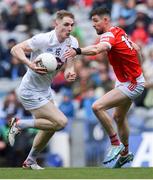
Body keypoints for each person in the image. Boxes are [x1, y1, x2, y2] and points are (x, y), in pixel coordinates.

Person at [64, 7, 145, 168]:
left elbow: (97, 49)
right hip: (128, 80)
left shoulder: (109, 35)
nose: (93, 25)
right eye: (92, 21)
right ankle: (125, 154)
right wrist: (137, 67)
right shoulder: (119, 31)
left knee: (97, 106)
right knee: (118, 118)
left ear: (106, 20)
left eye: (96, 21)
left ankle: (115, 144)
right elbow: (137, 50)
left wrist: (77, 51)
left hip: (131, 83)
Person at [8, 10, 79, 169]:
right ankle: (19, 124)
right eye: (66, 24)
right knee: (60, 122)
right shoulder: (44, 39)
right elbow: (15, 49)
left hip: (45, 90)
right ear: (56, 24)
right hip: (30, 90)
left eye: (71, 25)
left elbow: (69, 66)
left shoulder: (72, 42)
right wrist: (30, 64)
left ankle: (30, 161)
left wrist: (70, 73)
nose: (69, 28)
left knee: (50, 126)